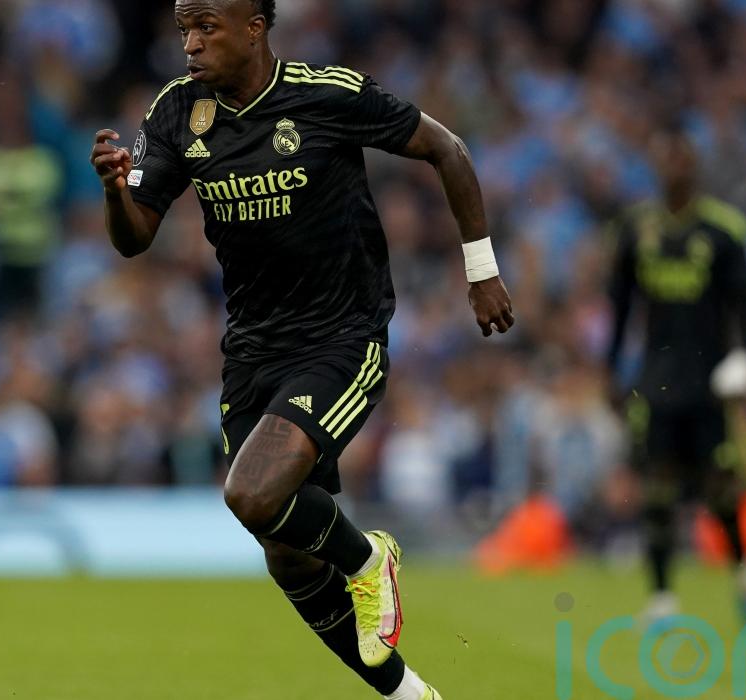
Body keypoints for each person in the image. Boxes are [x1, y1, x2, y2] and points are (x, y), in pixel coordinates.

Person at [90, 1, 515, 697]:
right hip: (251, 350)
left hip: (342, 337)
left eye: (206, 27)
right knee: (286, 554)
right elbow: (135, 236)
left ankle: (368, 559)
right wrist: (115, 191)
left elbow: (449, 149)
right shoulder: (177, 112)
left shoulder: (327, 95)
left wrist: (482, 271)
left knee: (251, 494)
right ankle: (411, 695)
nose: (190, 44)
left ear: (255, 28)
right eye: (184, 30)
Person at [607, 127, 746, 623]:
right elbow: (621, 307)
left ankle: (744, 573)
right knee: (657, 485)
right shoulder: (637, 229)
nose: (674, 168)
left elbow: (744, 305)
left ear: (694, 167)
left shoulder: (724, 231)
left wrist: (745, 357)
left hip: (709, 381)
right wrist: (611, 368)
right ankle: (661, 598)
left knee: (719, 488)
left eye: (682, 159)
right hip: (657, 379)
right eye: (666, 159)